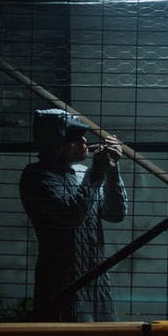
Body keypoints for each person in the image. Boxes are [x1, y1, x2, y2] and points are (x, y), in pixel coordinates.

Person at [19, 108, 128, 322]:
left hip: (98, 283)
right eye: (74, 137)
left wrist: (112, 169)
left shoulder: (81, 173)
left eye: (82, 135)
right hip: (61, 287)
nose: (84, 141)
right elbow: (71, 216)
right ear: (55, 143)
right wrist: (97, 171)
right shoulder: (36, 177)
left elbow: (116, 214)